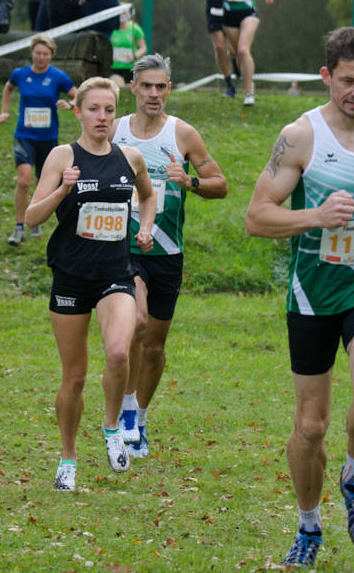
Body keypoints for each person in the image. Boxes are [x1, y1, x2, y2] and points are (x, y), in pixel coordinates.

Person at [245, 26, 354, 569]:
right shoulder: (300, 136)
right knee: (311, 425)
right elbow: (257, 217)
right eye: (348, 81)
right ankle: (308, 526)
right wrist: (314, 217)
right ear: (326, 77)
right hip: (313, 291)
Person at [24, 76, 156, 492]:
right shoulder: (63, 156)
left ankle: (112, 426)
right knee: (75, 378)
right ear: (78, 112)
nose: (103, 117)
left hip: (116, 273)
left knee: (119, 351)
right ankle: (68, 457)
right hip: (71, 277)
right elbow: (31, 217)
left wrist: (145, 227)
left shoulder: (130, 158)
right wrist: (63, 189)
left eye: (110, 110)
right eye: (94, 109)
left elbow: (148, 196)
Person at [111, 54, 228, 458]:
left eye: (161, 87)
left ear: (169, 90)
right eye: (147, 86)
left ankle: (139, 419)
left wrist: (190, 180)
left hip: (168, 251)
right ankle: (125, 414)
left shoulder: (183, 135)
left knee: (155, 347)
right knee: (136, 323)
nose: (154, 94)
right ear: (133, 88)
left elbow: (221, 185)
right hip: (123, 246)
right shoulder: (115, 130)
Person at [0, 34, 77, 245]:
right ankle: (19, 226)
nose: (41, 58)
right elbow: (9, 87)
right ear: (32, 53)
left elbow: (77, 95)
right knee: (23, 181)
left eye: (46, 54)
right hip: (25, 135)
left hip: (48, 138)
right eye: (38, 53)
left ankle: (36, 216)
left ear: (51, 56)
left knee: (41, 182)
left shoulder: (58, 76)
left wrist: (70, 104)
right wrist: (4, 111)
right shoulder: (20, 74)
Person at [203, 0, 274, 106]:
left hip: (249, 13)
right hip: (229, 17)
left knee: (243, 50)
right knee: (234, 53)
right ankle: (245, 79)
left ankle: (249, 92)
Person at [109, 12, 146, 87]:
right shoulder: (110, 29)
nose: (122, 15)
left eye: (124, 13)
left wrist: (134, 56)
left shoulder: (135, 29)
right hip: (114, 67)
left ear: (128, 14)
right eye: (120, 13)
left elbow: (143, 48)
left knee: (131, 90)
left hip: (131, 67)